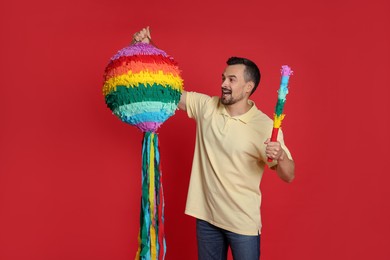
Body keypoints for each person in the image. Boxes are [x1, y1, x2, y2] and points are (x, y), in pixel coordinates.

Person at [132, 27, 295, 260]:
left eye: (232, 79)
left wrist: (280, 157)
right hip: (207, 219)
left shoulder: (265, 126)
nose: (224, 84)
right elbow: (168, 90)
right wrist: (148, 47)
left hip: (243, 224)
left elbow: (289, 175)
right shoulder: (207, 106)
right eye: (223, 78)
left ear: (248, 87)